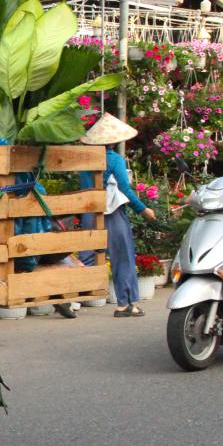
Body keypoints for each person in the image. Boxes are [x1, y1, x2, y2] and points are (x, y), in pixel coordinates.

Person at [80, 114, 156, 317]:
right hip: (111, 212)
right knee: (122, 256)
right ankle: (125, 303)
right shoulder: (114, 159)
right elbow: (125, 189)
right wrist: (143, 209)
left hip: (89, 210)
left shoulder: (85, 158)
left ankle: (67, 298)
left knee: (86, 257)